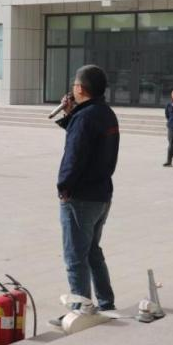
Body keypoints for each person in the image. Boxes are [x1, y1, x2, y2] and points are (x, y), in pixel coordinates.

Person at [52, 65, 119, 322]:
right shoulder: (106, 113)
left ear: (80, 88)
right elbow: (87, 140)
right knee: (92, 251)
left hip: (80, 196)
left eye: (74, 85)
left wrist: (63, 187)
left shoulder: (85, 118)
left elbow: (75, 156)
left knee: (75, 257)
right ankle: (106, 302)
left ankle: (81, 311)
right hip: (102, 193)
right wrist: (70, 114)